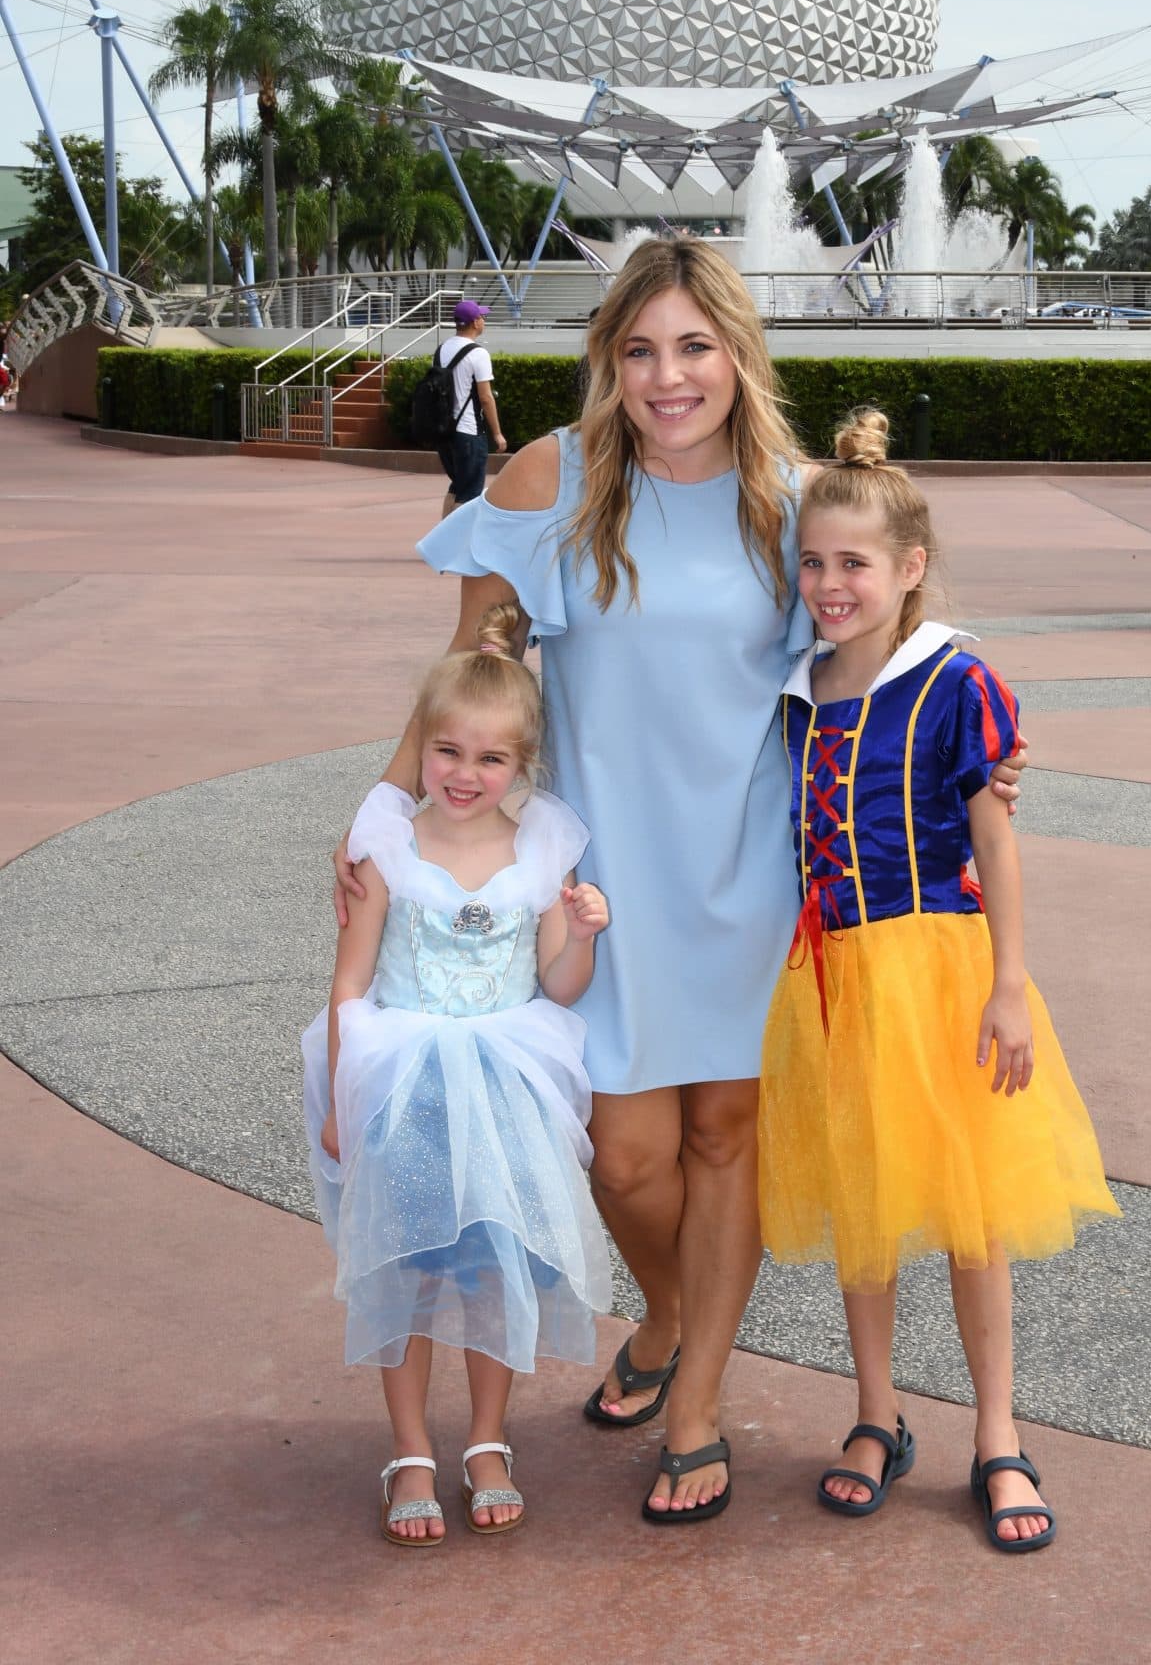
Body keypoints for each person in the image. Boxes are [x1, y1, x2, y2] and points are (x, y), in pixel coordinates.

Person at [333, 239, 1026, 1526]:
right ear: (609, 360)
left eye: (694, 347)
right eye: (640, 350)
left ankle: (696, 1394)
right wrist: (385, 817)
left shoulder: (793, 492)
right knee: (623, 1151)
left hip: (757, 868)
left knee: (724, 1139)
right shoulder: (555, 476)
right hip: (602, 882)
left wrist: (975, 749)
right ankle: (667, 1310)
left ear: (738, 354)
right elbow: (469, 664)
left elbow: (884, 634)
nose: (668, 377)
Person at [758, 409, 1117, 1549]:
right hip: (831, 981)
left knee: (973, 1216)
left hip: (943, 970)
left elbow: (995, 840)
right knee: (863, 1210)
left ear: (910, 570)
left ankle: (998, 1434)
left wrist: (1011, 982)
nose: (830, 583)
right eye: (812, 562)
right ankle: (876, 1416)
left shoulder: (955, 680)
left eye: (853, 563)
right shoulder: (793, 687)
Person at [302, 605, 613, 1545]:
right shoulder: (386, 844)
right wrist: (346, 1094)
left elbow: (558, 983)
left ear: (522, 767)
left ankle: (486, 1438)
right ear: (422, 749)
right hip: (406, 1080)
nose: (465, 775)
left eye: (491, 760)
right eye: (447, 753)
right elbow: (351, 980)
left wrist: (587, 936)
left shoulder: (546, 846)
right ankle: (407, 1446)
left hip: (508, 1078)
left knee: (493, 1263)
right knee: (405, 1264)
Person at [437, 300, 506, 515]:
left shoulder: (442, 349)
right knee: (469, 494)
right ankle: (460, 544)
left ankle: (442, 539)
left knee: (457, 485)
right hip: (469, 431)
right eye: (482, 317)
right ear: (475, 322)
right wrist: (497, 434)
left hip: (445, 430)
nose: (484, 321)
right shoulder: (478, 354)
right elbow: (486, 398)